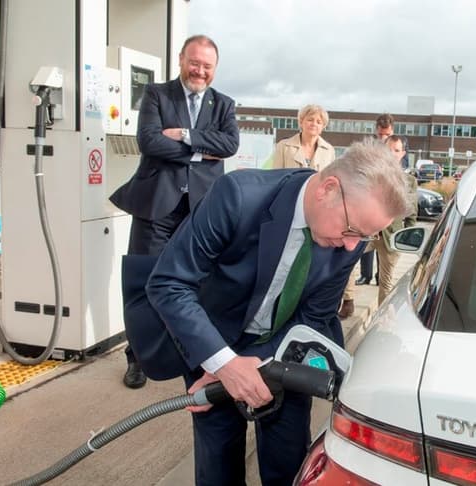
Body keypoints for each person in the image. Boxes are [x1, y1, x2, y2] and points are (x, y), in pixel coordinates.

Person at [141, 139, 409, 485]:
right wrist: (222, 364)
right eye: (351, 231)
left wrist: (268, 366)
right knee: (218, 464)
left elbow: (314, 317)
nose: (351, 246)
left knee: (288, 462)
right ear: (328, 189)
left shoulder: (348, 238)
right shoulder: (238, 196)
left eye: (365, 238)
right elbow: (169, 283)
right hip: (214, 341)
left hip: (285, 348)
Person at [110, 34, 239, 389]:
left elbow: (229, 144)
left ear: (215, 69)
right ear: (181, 59)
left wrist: (183, 134)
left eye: (207, 66)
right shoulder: (156, 94)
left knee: (195, 283)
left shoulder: (224, 105)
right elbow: (149, 140)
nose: (200, 71)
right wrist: (201, 151)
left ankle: (189, 352)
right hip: (157, 205)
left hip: (199, 209)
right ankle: (136, 357)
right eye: (194, 63)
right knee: (143, 282)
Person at [341, 114, 395, 319]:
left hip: (387, 227)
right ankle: (348, 301)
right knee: (348, 261)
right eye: (380, 135)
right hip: (365, 219)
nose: (383, 139)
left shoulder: (396, 151)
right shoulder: (366, 151)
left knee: (386, 276)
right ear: (375, 131)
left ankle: (383, 316)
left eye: (387, 135)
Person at [371, 135, 418, 303]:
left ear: (402, 153)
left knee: (386, 283)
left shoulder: (410, 181)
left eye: (396, 150)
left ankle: (382, 321)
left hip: (391, 236)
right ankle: (347, 302)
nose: (392, 153)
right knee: (344, 266)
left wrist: (409, 237)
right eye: (388, 149)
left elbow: (411, 213)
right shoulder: (371, 174)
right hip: (367, 232)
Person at [273, 104, 335, 171]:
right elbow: (275, 177)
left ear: (323, 126)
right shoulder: (283, 147)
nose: (314, 124)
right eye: (310, 120)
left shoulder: (329, 151)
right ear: (301, 122)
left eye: (319, 122)